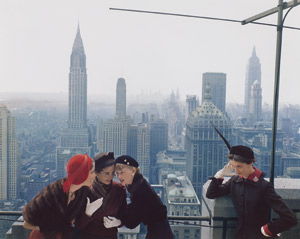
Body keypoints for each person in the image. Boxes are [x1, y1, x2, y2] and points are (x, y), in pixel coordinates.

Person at [206, 125, 298, 239]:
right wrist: (219, 176)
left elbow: (290, 218)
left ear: (250, 163)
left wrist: (268, 230)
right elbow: (211, 194)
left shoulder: (264, 186)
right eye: (233, 167)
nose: (236, 170)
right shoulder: (235, 181)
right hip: (239, 235)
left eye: (239, 166)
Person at [23, 154, 103, 239]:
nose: (94, 175)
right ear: (82, 174)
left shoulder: (82, 193)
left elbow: (76, 223)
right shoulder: (52, 193)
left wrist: (88, 213)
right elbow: (27, 224)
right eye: (92, 172)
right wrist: (55, 227)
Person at [103, 155, 174, 239]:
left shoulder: (140, 191)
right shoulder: (140, 185)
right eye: (117, 173)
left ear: (133, 171)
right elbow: (135, 208)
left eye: (122, 172)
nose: (119, 177)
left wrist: (118, 221)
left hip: (159, 234)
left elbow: (132, 222)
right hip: (160, 230)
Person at [76, 152, 127, 239]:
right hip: (86, 236)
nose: (111, 177)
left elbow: (124, 216)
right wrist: (87, 213)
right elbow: (77, 225)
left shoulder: (119, 190)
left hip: (110, 236)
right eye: (107, 173)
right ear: (96, 173)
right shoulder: (85, 190)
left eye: (113, 173)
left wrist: (118, 222)